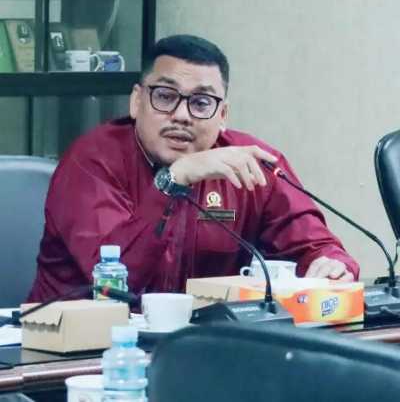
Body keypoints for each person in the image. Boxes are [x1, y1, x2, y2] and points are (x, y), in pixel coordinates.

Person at [28, 34, 359, 303]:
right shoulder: (93, 160)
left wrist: (332, 265)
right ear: (136, 102)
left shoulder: (249, 165)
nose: (182, 115)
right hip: (78, 350)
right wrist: (175, 179)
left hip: (203, 346)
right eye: (165, 96)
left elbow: (315, 246)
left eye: (201, 103)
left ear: (223, 115)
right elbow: (118, 281)